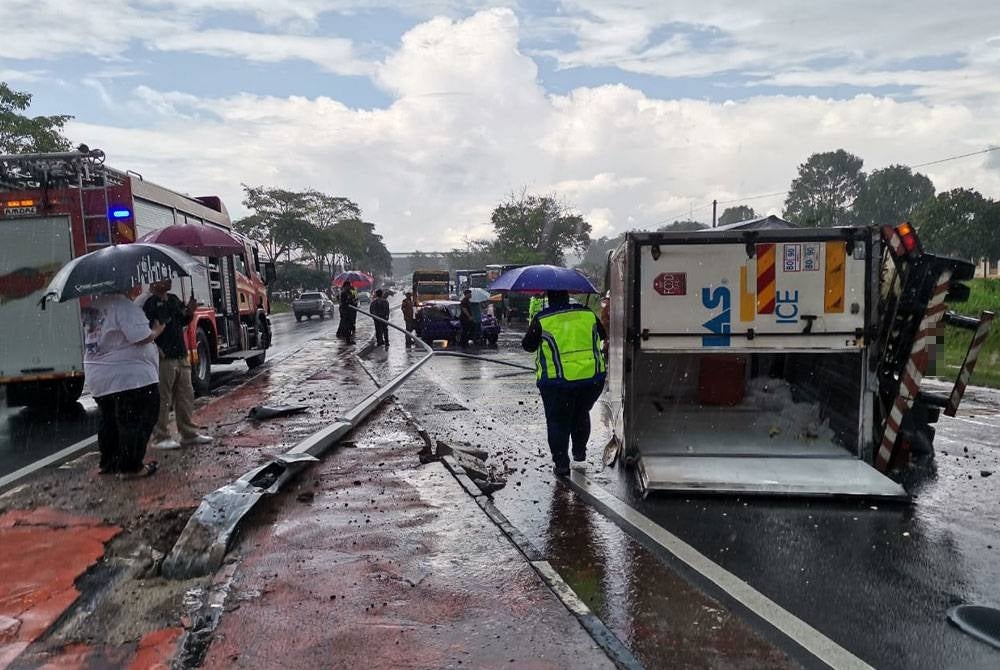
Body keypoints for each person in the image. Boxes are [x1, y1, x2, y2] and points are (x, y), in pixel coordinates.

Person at [521, 290, 607, 477]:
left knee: (558, 421)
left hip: (558, 382)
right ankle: (579, 452)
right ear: (567, 295)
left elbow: (528, 345)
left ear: (549, 298)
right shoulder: (587, 314)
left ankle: (561, 463)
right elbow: (602, 334)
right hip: (591, 379)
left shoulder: (543, 319)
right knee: (581, 413)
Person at [81, 290, 165, 478]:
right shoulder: (123, 306)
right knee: (138, 417)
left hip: (99, 376)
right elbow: (140, 336)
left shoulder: (93, 307)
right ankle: (130, 467)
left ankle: (110, 463)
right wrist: (156, 332)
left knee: (109, 420)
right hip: (128, 377)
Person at [141, 279, 214, 450]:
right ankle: (160, 436)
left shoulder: (173, 299)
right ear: (154, 283)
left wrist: (190, 310)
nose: (169, 281)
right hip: (164, 357)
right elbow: (144, 330)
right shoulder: (149, 304)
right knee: (163, 398)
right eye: (164, 279)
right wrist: (155, 346)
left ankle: (188, 432)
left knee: (185, 395)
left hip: (181, 354)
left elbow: (182, 320)